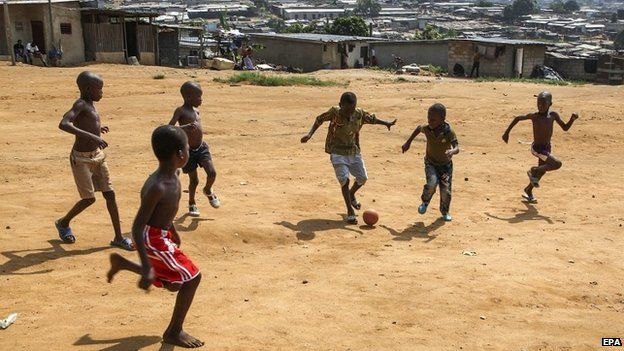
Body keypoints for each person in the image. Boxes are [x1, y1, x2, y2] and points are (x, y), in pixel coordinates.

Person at [107, 125, 204, 348]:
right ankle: (174, 332)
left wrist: (173, 230)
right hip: (152, 237)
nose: (189, 151)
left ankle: (122, 263)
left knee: (174, 283)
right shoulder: (158, 185)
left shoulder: (174, 174)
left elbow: (166, 212)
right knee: (192, 278)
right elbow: (138, 226)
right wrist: (146, 263)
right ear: (180, 154)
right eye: (187, 148)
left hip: (162, 233)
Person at [55, 71, 134, 250]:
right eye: (99, 89)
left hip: (97, 155)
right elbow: (64, 124)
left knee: (110, 193)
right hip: (81, 158)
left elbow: (88, 123)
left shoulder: (90, 103)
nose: (102, 92)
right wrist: (93, 136)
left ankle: (119, 237)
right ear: (88, 89)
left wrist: (98, 129)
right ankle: (63, 222)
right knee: (89, 199)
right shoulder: (81, 104)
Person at [301, 92, 397, 224]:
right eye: (347, 110)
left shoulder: (359, 113)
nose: (350, 113)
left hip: (353, 151)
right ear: (341, 105)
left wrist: (386, 123)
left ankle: (352, 194)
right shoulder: (334, 112)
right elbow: (319, 119)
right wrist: (309, 134)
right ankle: (350, 211)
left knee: (363, 178)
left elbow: (372, 119)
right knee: (344, 180)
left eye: (352, 110)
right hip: (337, 151)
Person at [502, 91, 579, 202]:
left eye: (543, 104)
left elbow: (565, 128)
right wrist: (506, 133)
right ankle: (533, 169)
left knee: (542, 171)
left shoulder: (553, 115)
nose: (540, 106)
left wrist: (572, 119)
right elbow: (517, 118)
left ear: (550, 104)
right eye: (538, 104)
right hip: (537, 149)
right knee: (557, 164)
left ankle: (528, 190)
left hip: (547, 148)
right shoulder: (535, 116)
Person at [168, 81, 219, 217]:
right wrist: (185, 127)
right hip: (188, 151)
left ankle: (208, 190)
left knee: (212, 173)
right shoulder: (180, 111)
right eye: (198, 97)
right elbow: (170, 128)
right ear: (188, 97)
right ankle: (192, 202)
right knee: (194, 180)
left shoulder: (196, 110)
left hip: (201, 147)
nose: (201, 99)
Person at [402, 103, 459, 221]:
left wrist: (452, 151)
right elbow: (418, 128)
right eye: (428, 118)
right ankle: (425, 202)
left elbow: (457, 147)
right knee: (432, 184)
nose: (430, 121)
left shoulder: (448, 131)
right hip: (431, 163)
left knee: (446, 191)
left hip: (445, 166)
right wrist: (408, 143)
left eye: (433, 119)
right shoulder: (427, 128)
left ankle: (445, 211)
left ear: (442, 119)